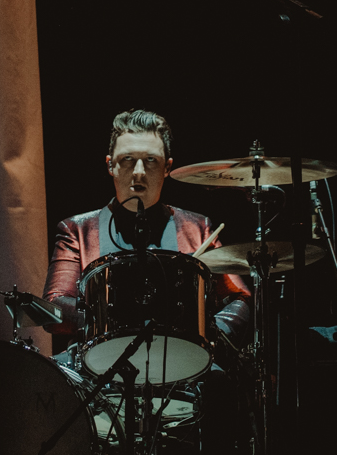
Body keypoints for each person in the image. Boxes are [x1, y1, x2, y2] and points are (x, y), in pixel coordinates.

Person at [42, 108, 250, 351]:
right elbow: (54, 306)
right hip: (101, 363)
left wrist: (213, 334)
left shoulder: (197, 228)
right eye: (128, 159)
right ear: (110, 165)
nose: (139, 171)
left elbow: (240, 297)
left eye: (151, 160)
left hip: (182, 359)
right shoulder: (77, 230)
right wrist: (110, 318)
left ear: (167, 167)